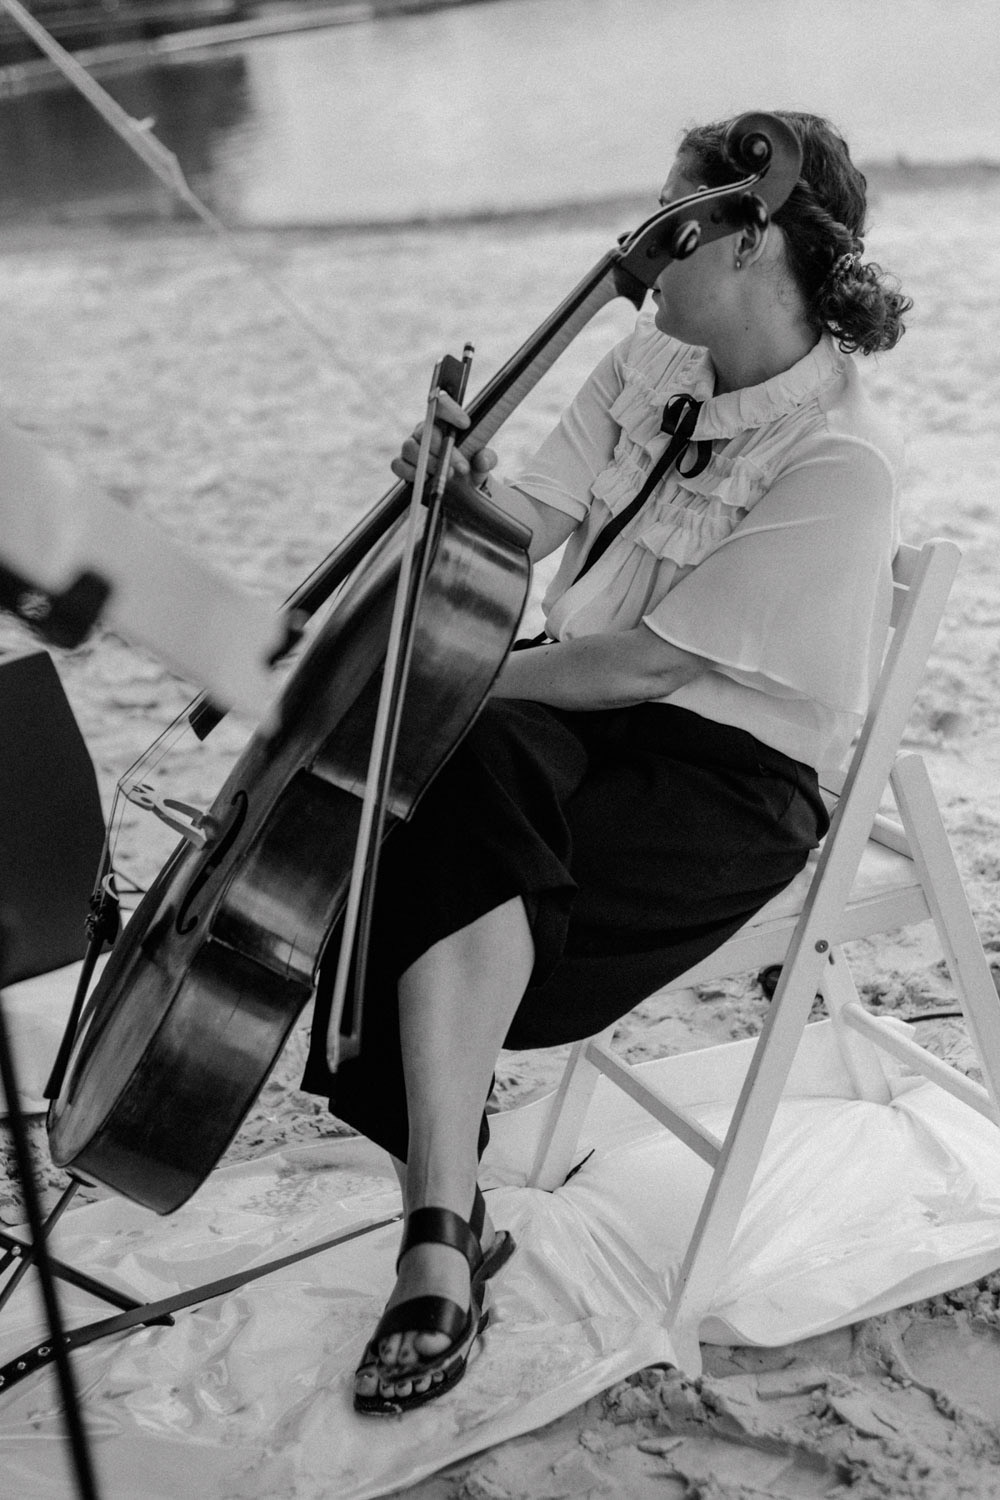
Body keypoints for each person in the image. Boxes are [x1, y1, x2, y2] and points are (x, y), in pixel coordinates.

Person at [301, 110, 912, 1415]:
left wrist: (431, 703)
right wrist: (453, 501)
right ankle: (444, 1219)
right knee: (448, 771)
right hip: (575, 728)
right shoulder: (651, 359)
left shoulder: (840, 456)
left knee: (445, 768)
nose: (637, 244)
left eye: (668, 217)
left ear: (747, 243)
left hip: (724, 785)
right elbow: (533, 527)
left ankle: (439, 1226)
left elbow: (638, 663)